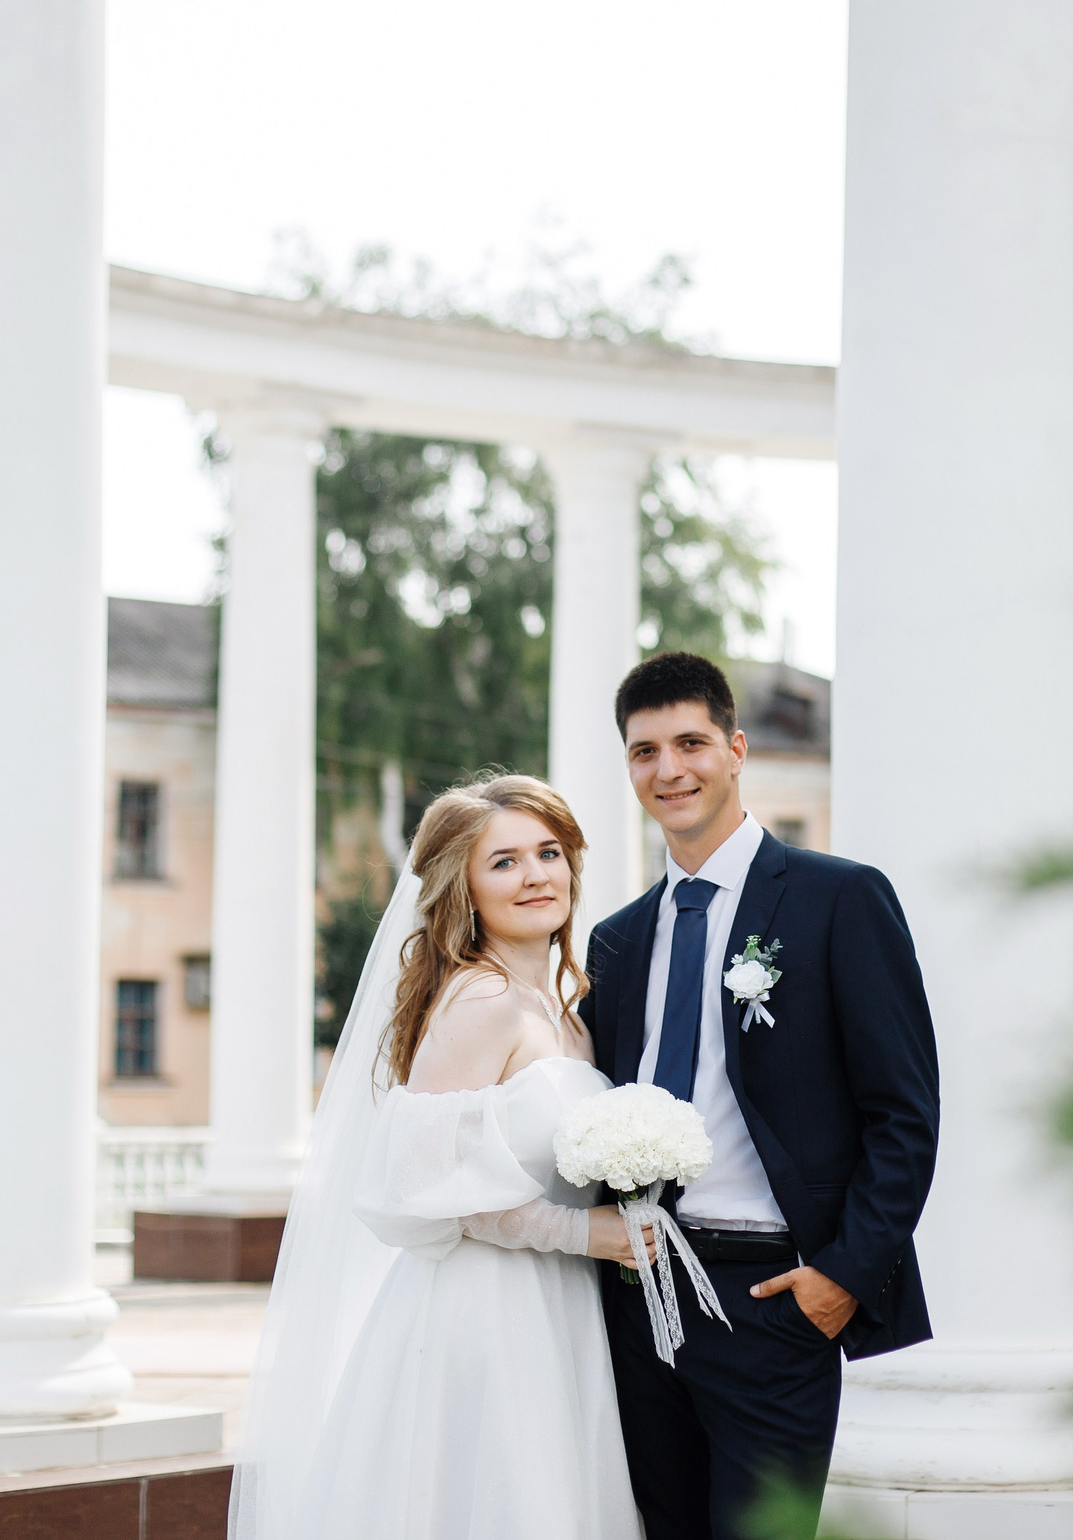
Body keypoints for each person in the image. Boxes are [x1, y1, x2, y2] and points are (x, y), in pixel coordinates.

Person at [228, 774, 653, 1540]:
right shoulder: (481, 1000)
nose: (535, 875)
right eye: (504, 862)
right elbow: (426, 1184)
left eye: (549, 853)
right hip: (484, 1310)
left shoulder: (563, 1010)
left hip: (558, 1303)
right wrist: (583, 1233)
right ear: (466, 890)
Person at [582, 652, 942, 1540]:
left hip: (774, 1300)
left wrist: (841, 1278)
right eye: (644, 751)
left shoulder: (839, 899)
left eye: (691, 743)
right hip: (641, 1298)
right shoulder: (617, 941)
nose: (669, 769)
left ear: (736, 750)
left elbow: (904, 1114)